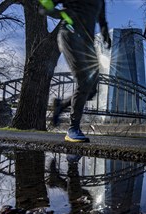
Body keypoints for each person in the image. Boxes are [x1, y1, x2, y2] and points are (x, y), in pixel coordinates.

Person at [39, 0, 111, 142]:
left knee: (91, 90)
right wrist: (63, 13)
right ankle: (73, 129)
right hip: (70, 34)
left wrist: (105, 34)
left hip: (88, 43)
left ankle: (62, 105)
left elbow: (101, 19)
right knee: (84, 82)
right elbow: (44, 7)